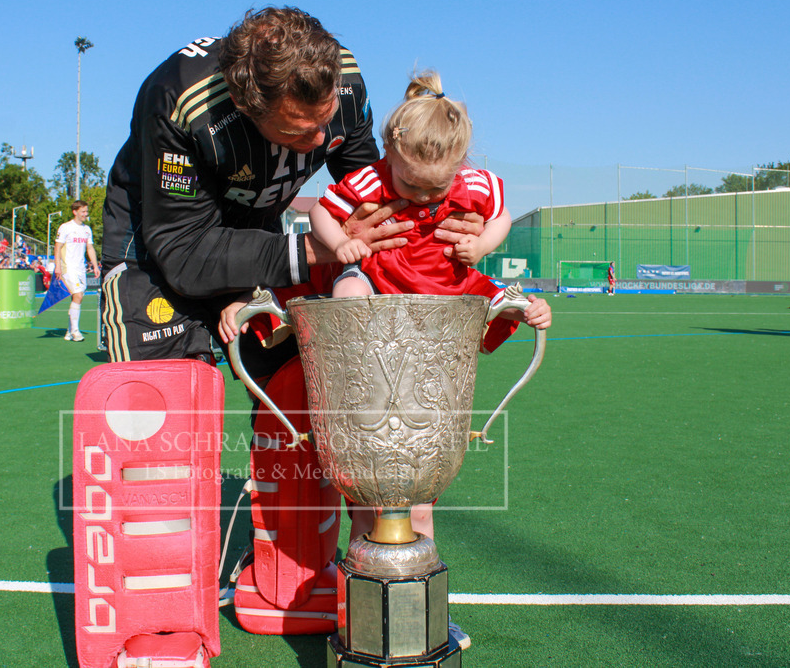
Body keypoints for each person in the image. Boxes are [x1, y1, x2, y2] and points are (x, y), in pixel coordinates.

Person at [220, 70, 552, 544]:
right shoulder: (369, 187)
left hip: (430, 361)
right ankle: (358, 607)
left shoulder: (471, 193)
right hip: (369, 364)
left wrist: (483, 247)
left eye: (434, 190)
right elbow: (319, 223)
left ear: (459, 166)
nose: (421, 199)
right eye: (411, 185)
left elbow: (497, 224)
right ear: (388, 153)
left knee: (417, 512)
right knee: (347, 294)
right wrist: (337, 248)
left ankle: (418, 612)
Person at [99, 6, 484, 374]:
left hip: (258, 240)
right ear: (243, 105)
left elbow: (375, 200)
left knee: (301, 394)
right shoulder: (181, 100)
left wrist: (447, 218)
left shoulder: (346, 83)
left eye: (326, 119)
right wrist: (318, 247)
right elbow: (184, 252)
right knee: (166, 408)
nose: (319, 140)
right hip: (159, 253)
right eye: (296, 131)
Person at [54, 200, 99, 341]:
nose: (86, 214)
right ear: (75, 212)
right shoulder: (65, 227)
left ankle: (69, 331)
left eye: (86, 211)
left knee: (78, 297)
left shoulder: (87, 229)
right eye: (83, 211)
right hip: (68, 267)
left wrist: (95, 265)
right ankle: (75, 331)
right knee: (78, 295)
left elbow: (90, 248)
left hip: (81, 268)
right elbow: (57, 247)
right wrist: (57, 266)